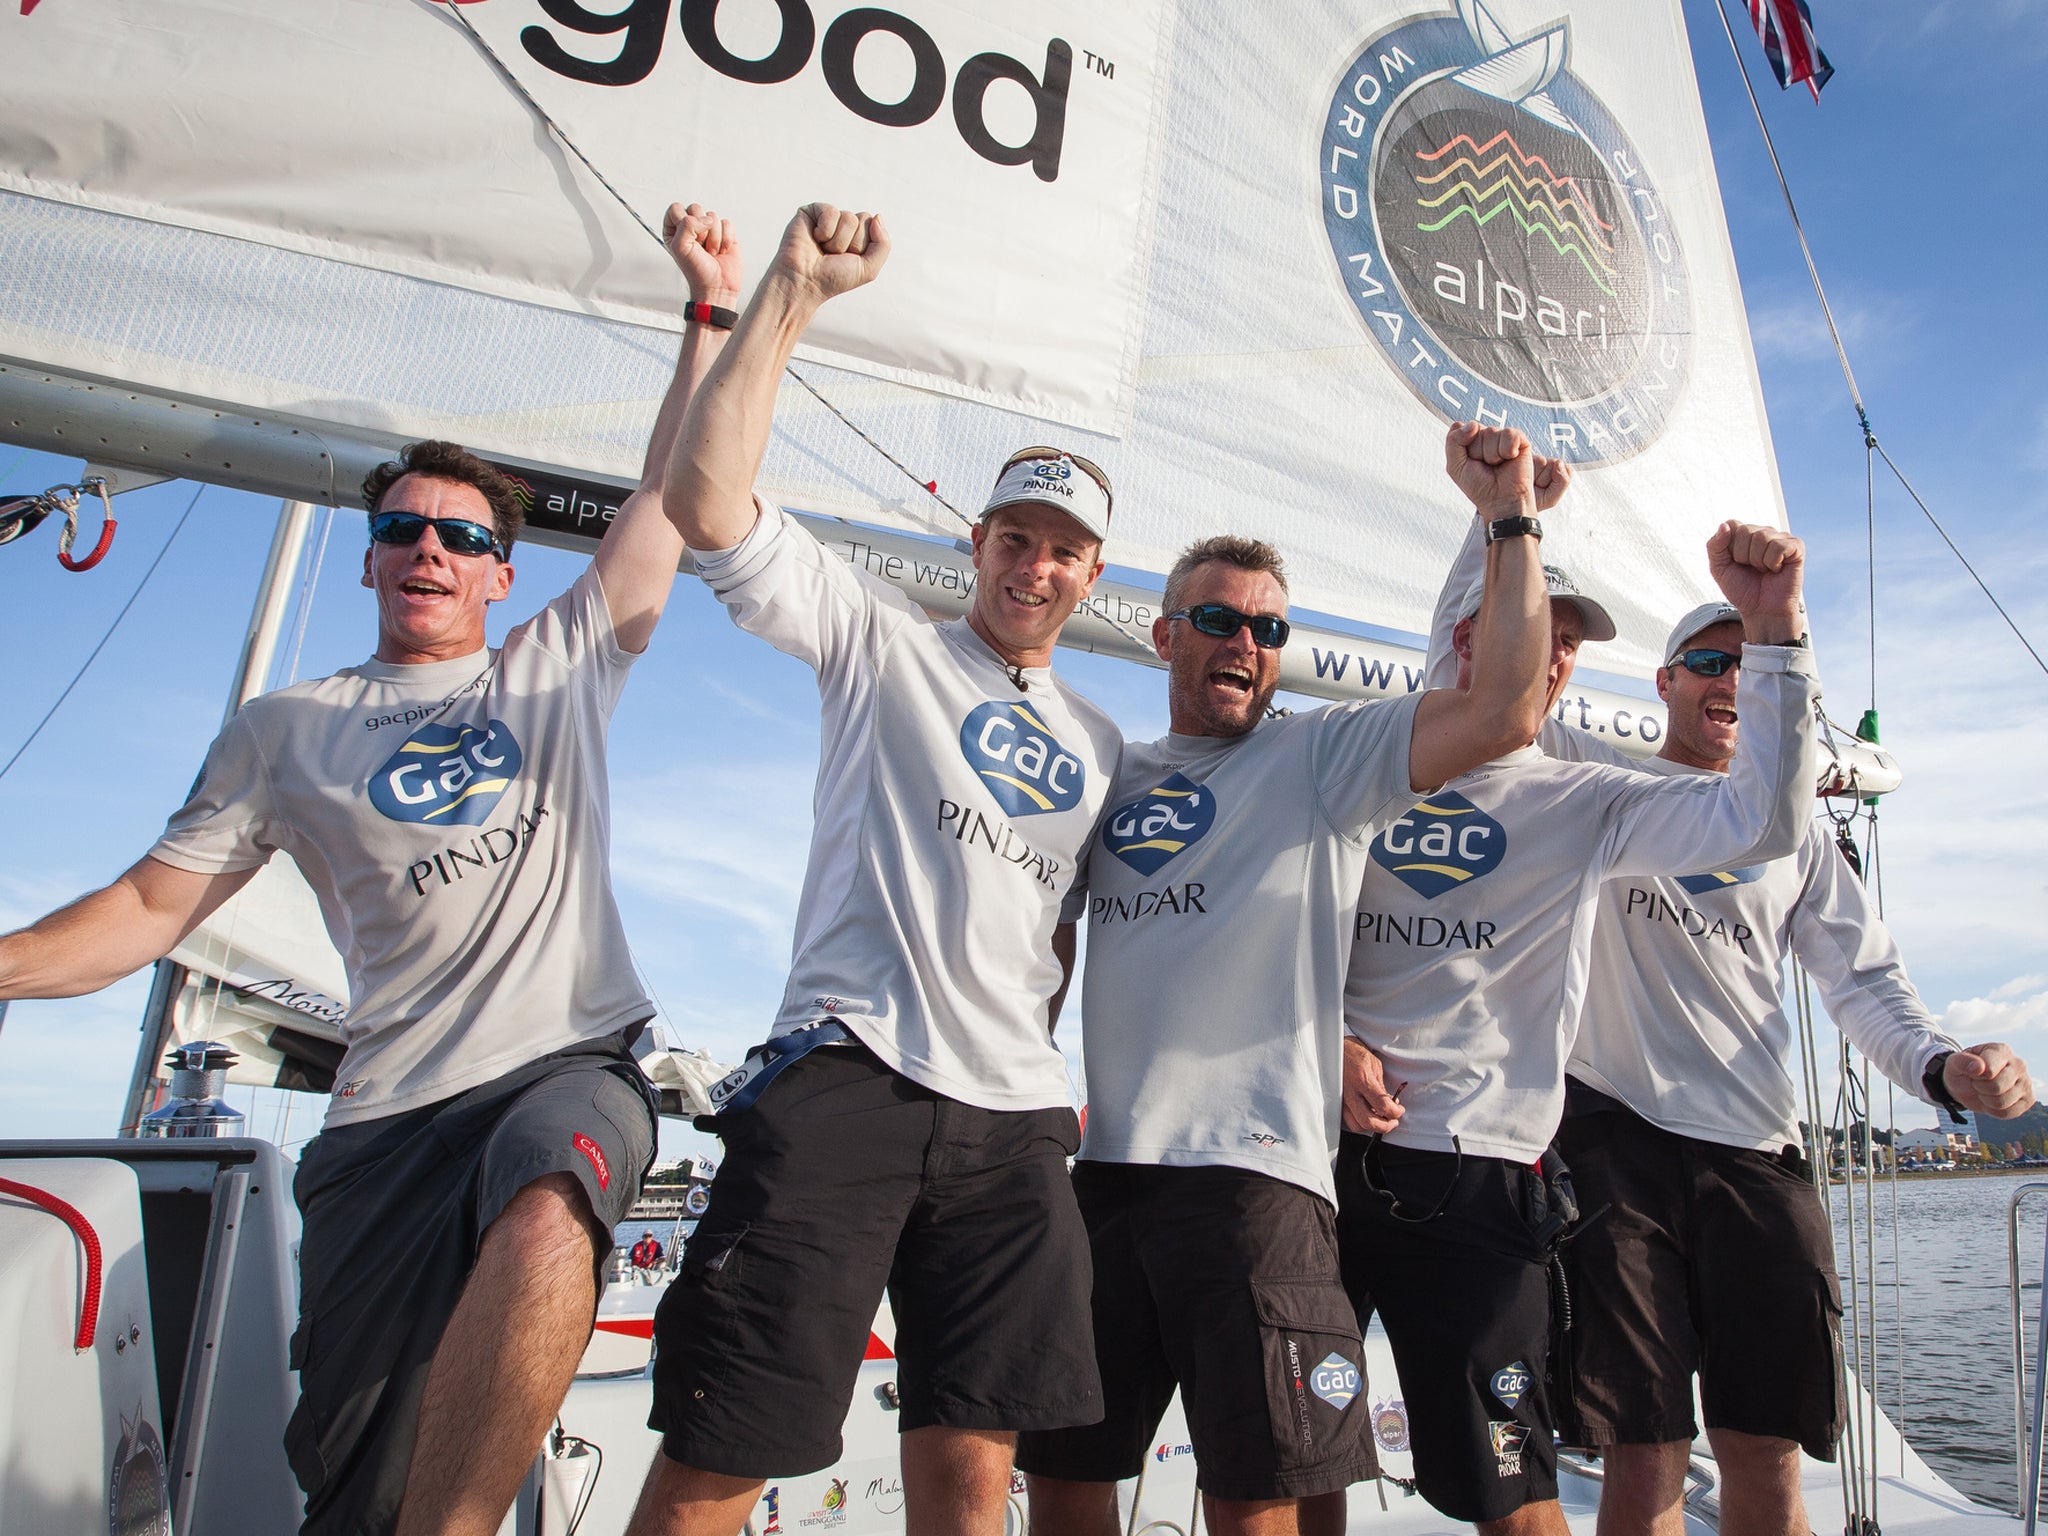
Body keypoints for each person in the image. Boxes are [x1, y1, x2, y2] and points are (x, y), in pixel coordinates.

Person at [0, 201, 744, 1535]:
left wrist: (706, 316)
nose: (429, 551)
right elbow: (147, 910)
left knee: (547, 1205)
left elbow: (668, 503)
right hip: (385, 1118)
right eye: (405, 530)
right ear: (369, 560)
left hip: (564, 1066)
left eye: (461, 537)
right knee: (351, 1480)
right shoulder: (287, 729)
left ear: (503, 577)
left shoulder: (556, 669)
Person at [623, 204, 1124, 1536]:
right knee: (725, 1448)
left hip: (1018, 1124)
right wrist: (787, 293)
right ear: (978, 546)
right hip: (847, 1081)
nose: (1033, 562)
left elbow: (1078, 929)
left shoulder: (1105, 744)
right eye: (1011, 537)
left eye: (1061, 546)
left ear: (1090, 574)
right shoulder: (881, 641)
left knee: (973, 1476)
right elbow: (708, 499)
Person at [1017, 424, 1564, 1536]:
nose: (1245, 642)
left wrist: (1505, 519)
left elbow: (1501, 702)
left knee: (1259, 1491)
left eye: (1267, 628)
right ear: (1166, 635)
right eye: (1218, 620)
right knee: (1066, 1472)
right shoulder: (1107, 773)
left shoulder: (1318, 759)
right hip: (1107, 1176)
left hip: (1256, 1186)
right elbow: (1042, 945)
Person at [1335, 487, 1822, 1536]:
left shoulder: (1584, 797)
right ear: (1466, 638)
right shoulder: (1359, 760)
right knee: (1296, 1465)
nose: (1550, 660)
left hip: (1480, 1182)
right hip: (1320, 1163)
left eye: (1566, 647)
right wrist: (1494, 515)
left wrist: (1775, 630)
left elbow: (1763, 817)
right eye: (1529, 635)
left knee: (1511, 1485)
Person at [1536, 596, 2037, 1536]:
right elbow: (1492, 695)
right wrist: (1504, 524)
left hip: (1758, 1157)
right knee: (1641, 1453)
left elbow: (1865, 981)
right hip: (1613, 1143)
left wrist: (1944, 1067)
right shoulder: (1593, 784)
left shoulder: (1796, 829)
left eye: (1750, 665)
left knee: (1766, 1452)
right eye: (1707, 662)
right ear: (1665, 681)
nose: (1729, 679)